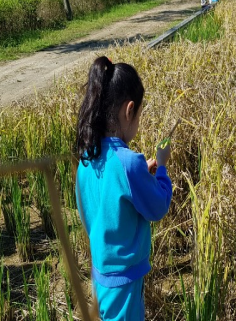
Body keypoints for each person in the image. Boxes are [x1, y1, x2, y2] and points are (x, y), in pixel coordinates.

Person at [75, 56, 173, 321]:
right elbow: (158, 206)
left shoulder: (87, 160)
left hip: (102, 272)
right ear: (129, 110)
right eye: (139, 114)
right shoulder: (130, 164)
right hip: (126, 279)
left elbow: (89, 211)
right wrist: (161, 167)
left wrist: (143, 172)